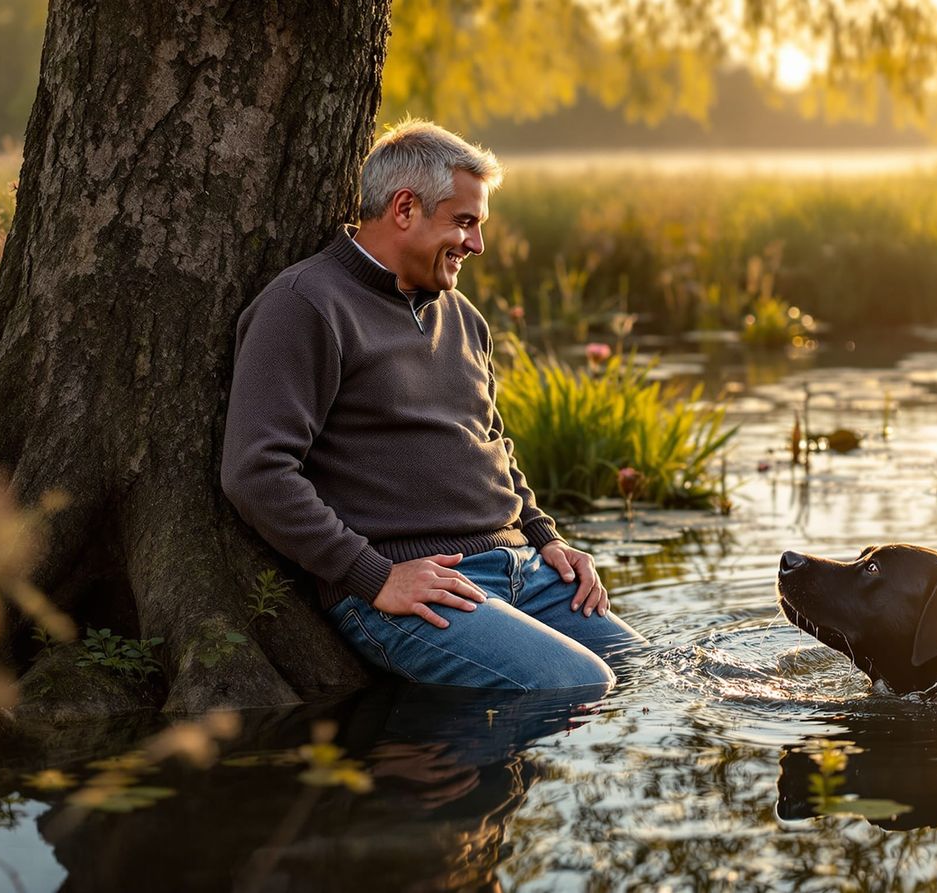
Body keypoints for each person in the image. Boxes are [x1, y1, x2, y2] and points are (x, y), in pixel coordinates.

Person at [222, 119, 643, 691]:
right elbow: (256, 472)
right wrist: (373, 577)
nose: (477, 244)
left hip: (524, 570)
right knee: (577, 684)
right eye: (464, 222)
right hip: (408, 588)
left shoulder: (463, 315)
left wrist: (549, 539)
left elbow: (492, 444)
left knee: (658, 676)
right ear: (404, 208)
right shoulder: (305, 305)